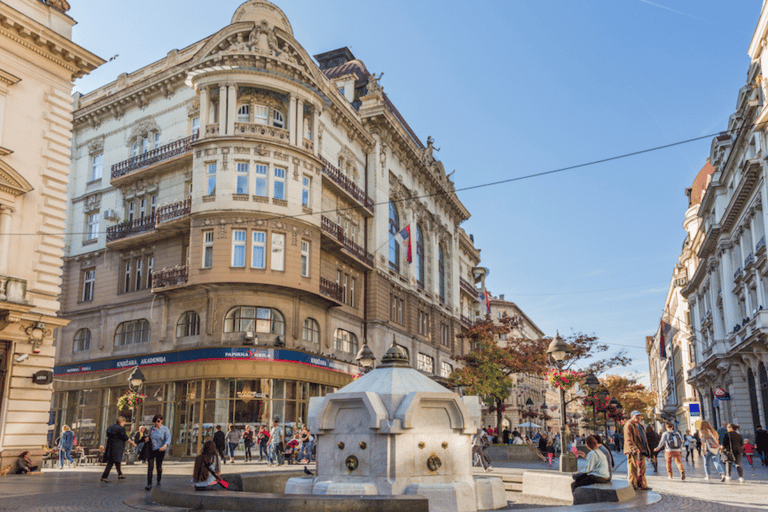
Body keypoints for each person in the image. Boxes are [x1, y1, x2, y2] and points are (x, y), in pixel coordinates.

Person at [101, 415, 136, 483]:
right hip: (117, 447)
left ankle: (120, 474)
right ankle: (104, 477)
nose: (124, 424)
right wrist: (133, 443)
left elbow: (107, 436)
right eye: (124, 422)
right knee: (111, 462)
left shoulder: (111, 427)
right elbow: (125, 437)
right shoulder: (121, 428)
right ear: (122, 421)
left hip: (110, 446)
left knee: (117, 461)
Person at [623, 410, 651, 491]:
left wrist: (646, 450)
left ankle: (643, 484)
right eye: (636, 416)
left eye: (639, 416)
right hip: (633, 451)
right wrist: (634, 449)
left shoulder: (639, 426)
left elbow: (644, 439)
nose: (638, 417)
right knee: (632, 469)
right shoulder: (629, 425)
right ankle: (632, 485)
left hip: (641, 450)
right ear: (632, 416)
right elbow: (628, 439)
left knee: (642, 468)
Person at [146, 414, 171, 491]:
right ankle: (149, 484)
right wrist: (147, 438)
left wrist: (165, 446)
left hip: (160, 450)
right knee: (150, 467)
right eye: (155, 421)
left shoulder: (165, 429)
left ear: (161, 421)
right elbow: (149, 436)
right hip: (151, 450)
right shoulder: (152, 428)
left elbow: (168, 438)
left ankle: (158, 481)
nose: (156, 423)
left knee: (158, 467)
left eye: (158, 421)